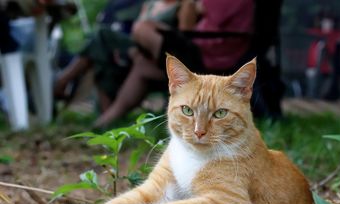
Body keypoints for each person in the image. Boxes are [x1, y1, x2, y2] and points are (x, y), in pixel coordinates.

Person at [94, 0, 254, 127]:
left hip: (211, 54)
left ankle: (159, 62)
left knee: (142, 29)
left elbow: (193, 15)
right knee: (142, 63)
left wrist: (189, 7)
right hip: (205, 47)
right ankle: (106, 121)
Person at [53, 0, 180, 112]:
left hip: (159, 54)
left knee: (101, 36)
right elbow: (135, 29)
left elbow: (184, 40)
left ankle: (62, 81)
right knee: (100, 55)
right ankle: (107, 120)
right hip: (135, 48)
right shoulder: (150, 4)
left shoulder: (182, 5)